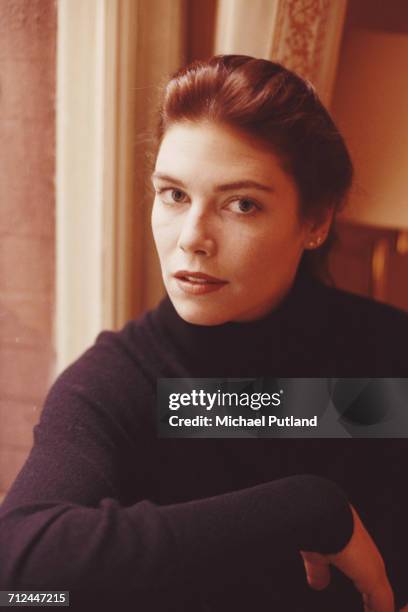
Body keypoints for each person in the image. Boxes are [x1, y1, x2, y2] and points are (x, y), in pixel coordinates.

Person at [0, 55, 407, 611]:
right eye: (174, 194)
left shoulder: (388, 356)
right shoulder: (121, 381)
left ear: (316, 221)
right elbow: (18, 578)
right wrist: (306, 508)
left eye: (241, 204)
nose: (193, 238)